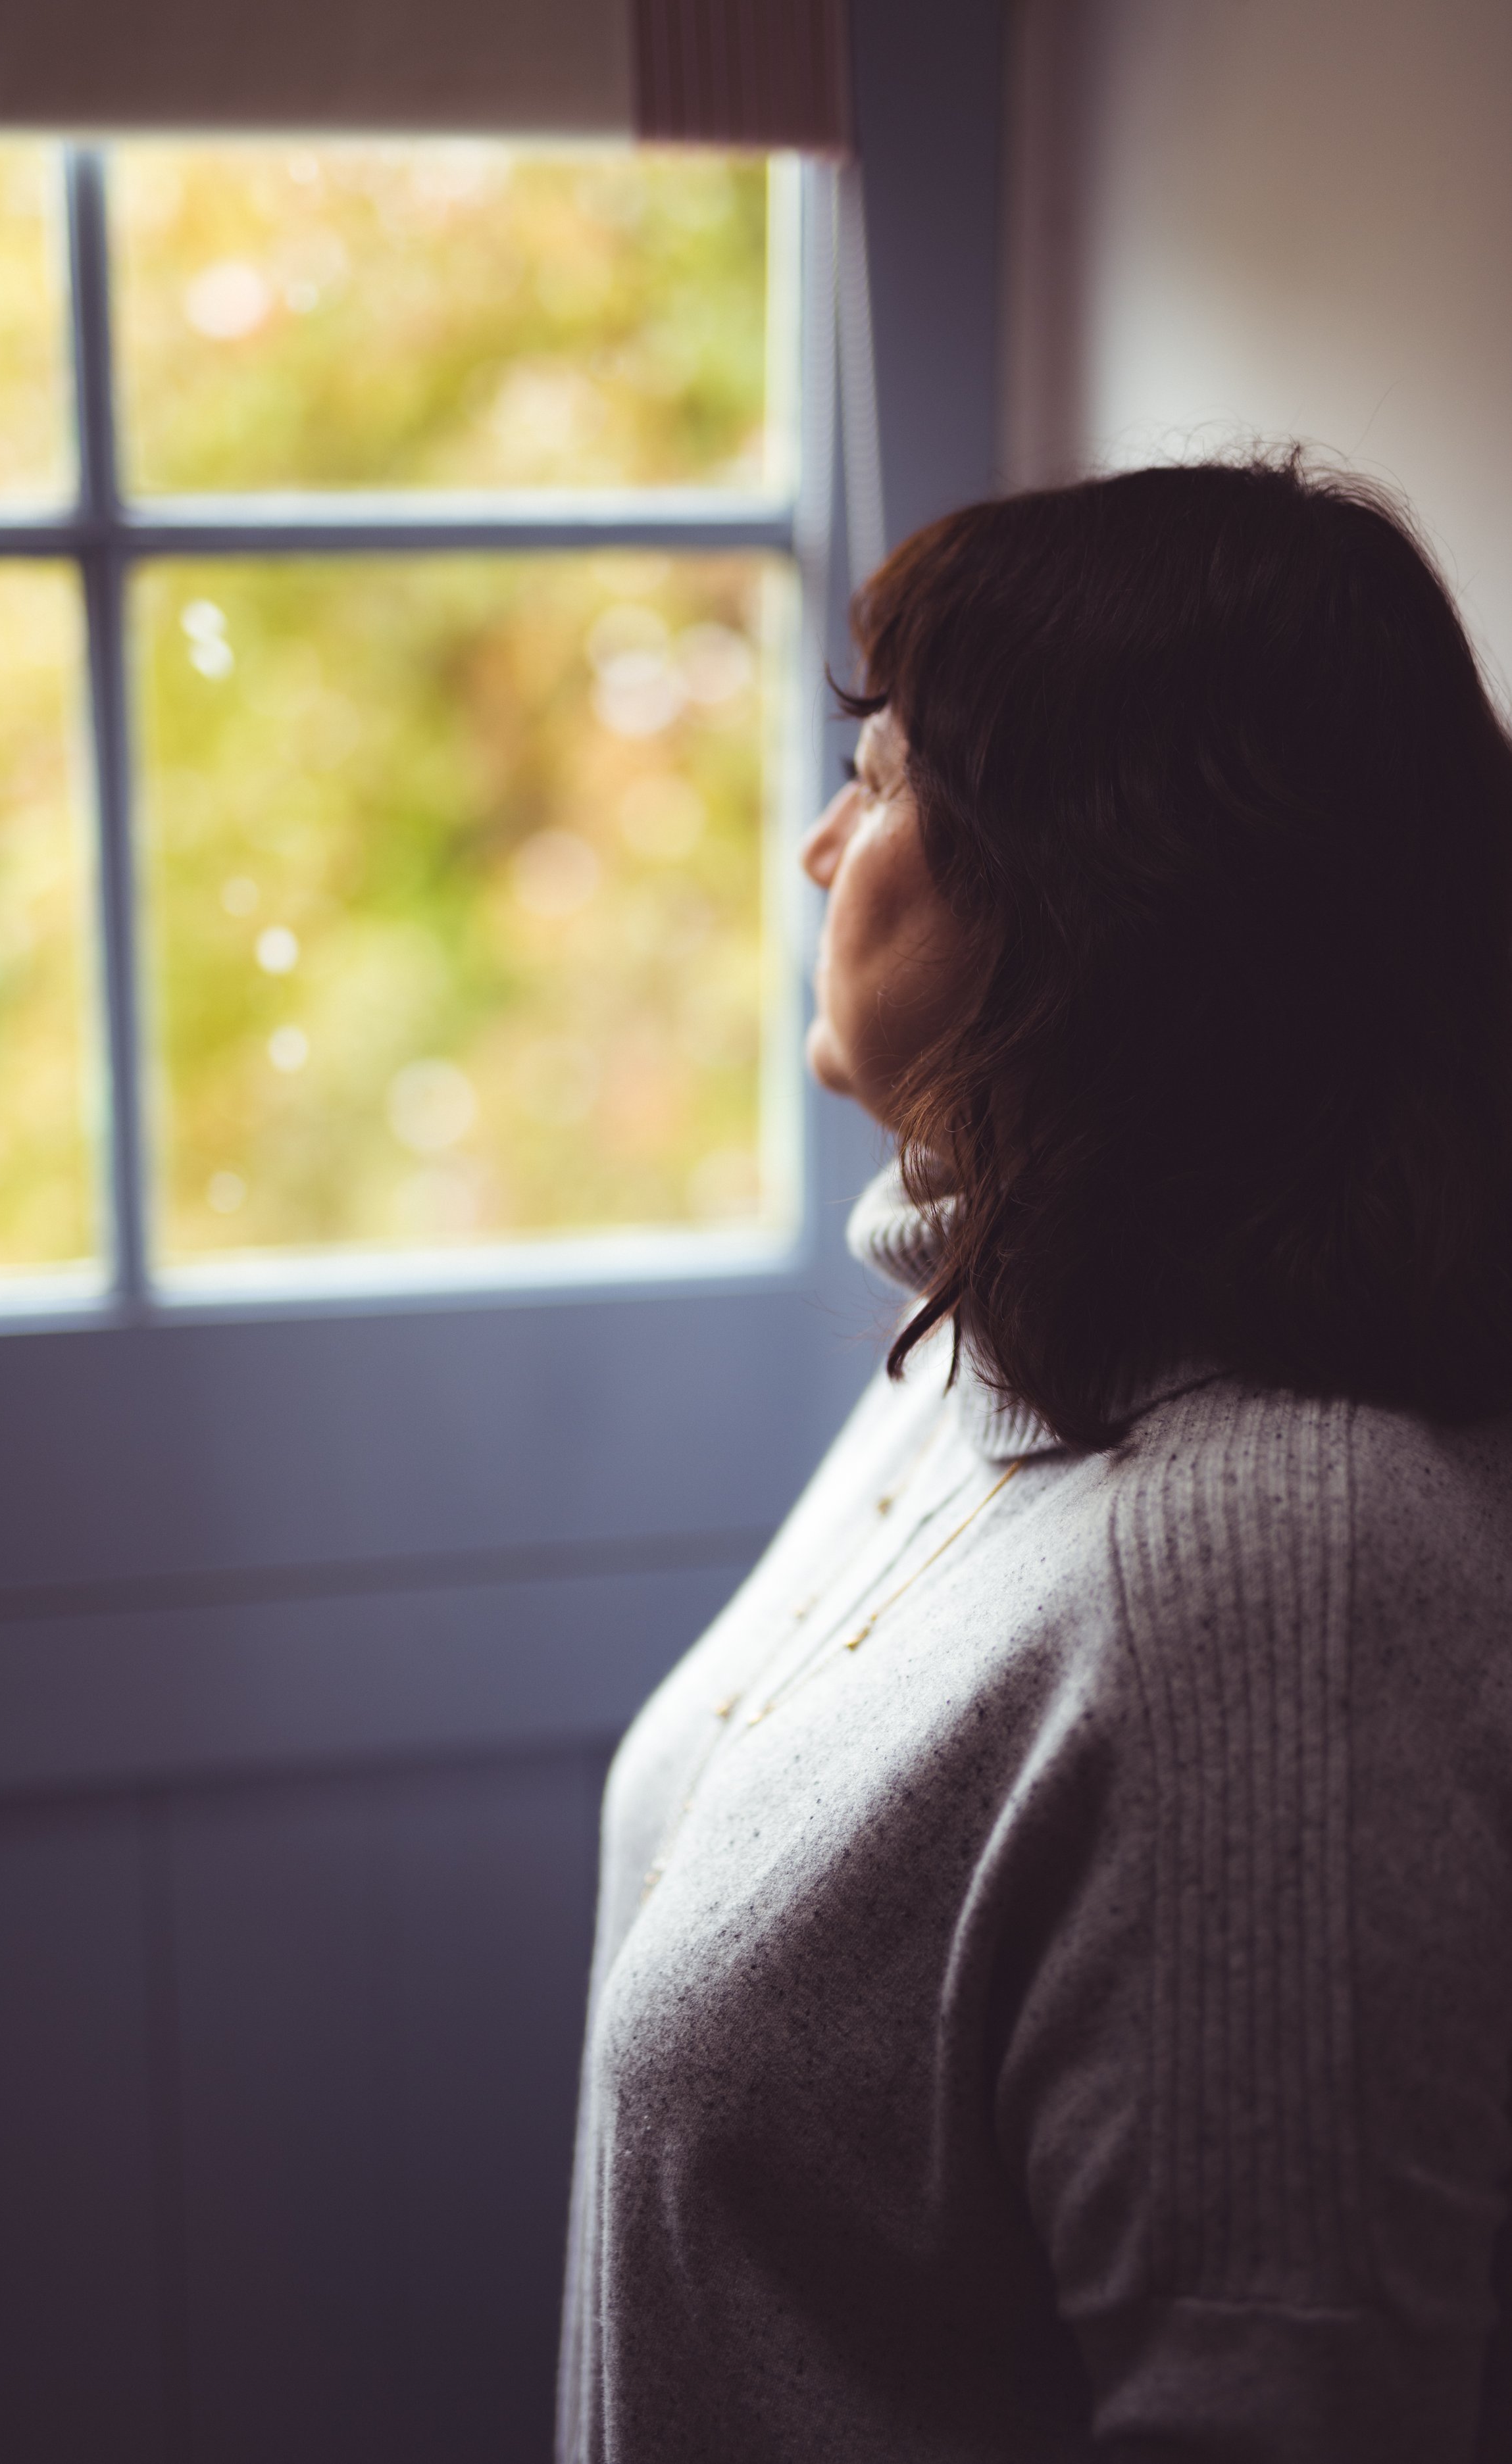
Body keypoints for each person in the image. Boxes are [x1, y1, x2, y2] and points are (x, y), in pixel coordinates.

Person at [557, 456, 1512, 2462]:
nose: (824, 849)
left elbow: (1298, 2397)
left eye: (888, 777)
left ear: (1099, 879)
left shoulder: (1281, 1574)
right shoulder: (980, 1344)